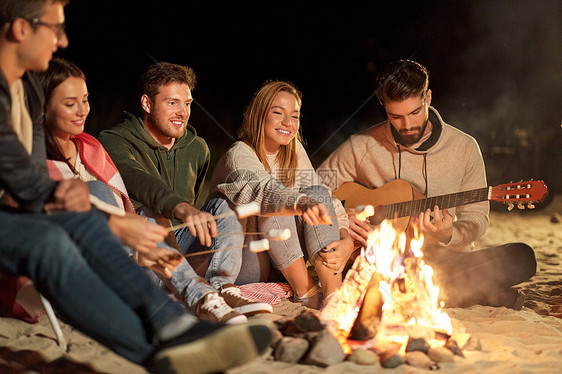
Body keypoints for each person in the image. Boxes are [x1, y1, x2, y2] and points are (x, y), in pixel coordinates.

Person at [0, 1, 271, 373]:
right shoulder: (111, 136)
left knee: (80, 221)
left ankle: (175, 333)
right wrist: (114, 222)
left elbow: (27, 182)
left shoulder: (26, 89)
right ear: (20, 30)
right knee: (62, 234)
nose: (62, 40)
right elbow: (25, 186)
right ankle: (163, 343)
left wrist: (74, 203)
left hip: (24, 219)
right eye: (54, 28)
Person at [320, 59, 537, 310]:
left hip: (446, 260)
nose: (408, 125)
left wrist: (448, 234)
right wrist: (342, 218)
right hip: (387, 262)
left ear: (428, 98)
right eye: (396, 116)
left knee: (521, 257)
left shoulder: (464, 147)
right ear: (383, 106)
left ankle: (422, 294)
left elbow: (478, 219)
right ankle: (472, 293)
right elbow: (313, 188)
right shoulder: (363, 145)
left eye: (415, 112)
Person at [99, 62, 272, 323]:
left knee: (227, 198)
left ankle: (223, 288)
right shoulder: (114, 141)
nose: (183, 112)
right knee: (150, 211)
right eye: (172, 103)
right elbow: (138, 181)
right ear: (147, 103)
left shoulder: (197, 149)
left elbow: (195, 204)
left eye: (188, 103)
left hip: (184, 251)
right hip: (142, 256)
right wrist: (180, 207)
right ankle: (195, 291)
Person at [208, 80, 354, 309]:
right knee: (277, 202)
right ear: (259, 115)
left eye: (294, 116)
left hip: (284, 256)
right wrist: (299, 203)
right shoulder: (238, 156)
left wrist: (346, 239)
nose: (288, 123)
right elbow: (264, 192)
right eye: (278, 113)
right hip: (249, 260)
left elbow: (322, 196)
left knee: (316, 191)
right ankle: (307, 293)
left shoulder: (292, 149)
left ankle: (334, 297)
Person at [40, 57, 177, 276]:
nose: (82, 110)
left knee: (152, 214)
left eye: (85, 100)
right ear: (43, 107)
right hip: (79, 272)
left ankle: (199, 293)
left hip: (129, 260)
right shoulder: (33, 165)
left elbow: (122, 209)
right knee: (96, 190)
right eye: (70, 104)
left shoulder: (91, 148)